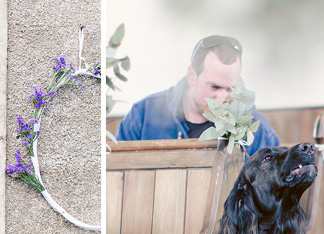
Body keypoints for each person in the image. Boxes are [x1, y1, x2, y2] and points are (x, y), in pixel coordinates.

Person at [116, 35, 279, 154]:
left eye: (230, 89)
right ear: (192, 76)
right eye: (214, 87)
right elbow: (116, 178)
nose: (222, 98)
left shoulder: (255, 128)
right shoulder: (143, 115)